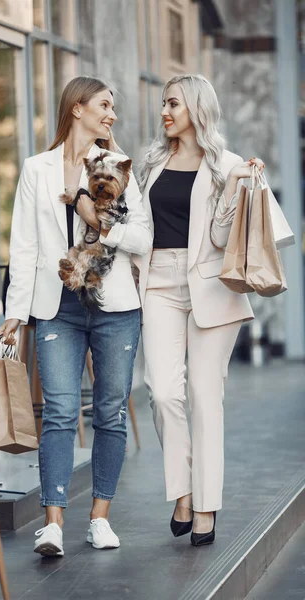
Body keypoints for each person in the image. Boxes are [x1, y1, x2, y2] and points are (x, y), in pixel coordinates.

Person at [0, 76, 152, 557]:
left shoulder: (120, 167)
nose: (112, 114)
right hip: (56, 307)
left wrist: (92, 217)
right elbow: (23, 245)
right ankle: (53, 523)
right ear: (77, 107)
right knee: (60, 412)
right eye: (105, 105)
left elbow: (142, 241)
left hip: (115, 306)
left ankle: (100, 519)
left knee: (109, 412)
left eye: (113, 107)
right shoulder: (36, 168)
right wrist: (14, 313)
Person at [136, 74, 264, 546]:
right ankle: (182, 490)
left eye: (173, 103)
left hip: (211, 286)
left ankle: (206, 505)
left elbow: (218, 238)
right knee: (163, 392)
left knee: (205, 399)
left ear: (195, 107)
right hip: (159, 283)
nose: (165, 112)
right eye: (163, 104)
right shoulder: (150, 164)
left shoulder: (228, 164)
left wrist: (233, 184)